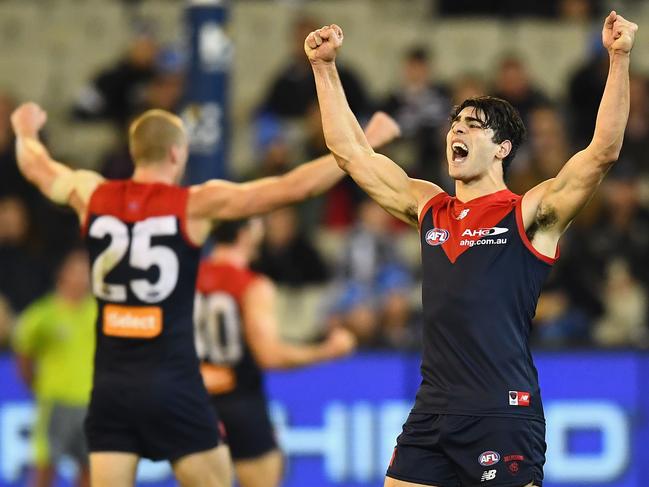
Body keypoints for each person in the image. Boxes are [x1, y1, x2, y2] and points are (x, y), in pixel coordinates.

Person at [304, 11, 636, 487]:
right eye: (454, 123)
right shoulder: (427, 206)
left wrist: (619, 58)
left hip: (502, 412)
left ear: (502, 148)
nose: (456, 131)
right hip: (433, 411)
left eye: (473, 125)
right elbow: (350, 153)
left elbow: (601, 152)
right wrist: (324, 68)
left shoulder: (528, 213)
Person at [10, 102, 398, 487]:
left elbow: (37, 168)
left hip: (111, 390)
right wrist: (361, 148)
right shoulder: (193, 205)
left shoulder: (92, 195)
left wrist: (25, 130)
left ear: (135, 152)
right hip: (173, 386)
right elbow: (295, 187)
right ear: (177, 153)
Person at [194, 219, 356, 487]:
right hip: (241, 403)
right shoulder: (252, 285)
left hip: (194, 403)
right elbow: (270, 356)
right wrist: (329, 350)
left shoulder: (188, 277)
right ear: (244, 235)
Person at [12, 248, 96, 487]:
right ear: (63, 273)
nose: (82, 277)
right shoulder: (43, 314)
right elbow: (23, 352)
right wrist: (36, 385)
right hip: (55, 403)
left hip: (90, 404)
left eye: (86, 271)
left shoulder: (97, 311)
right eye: (77, 270)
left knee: (89, 469)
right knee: (45, 469)